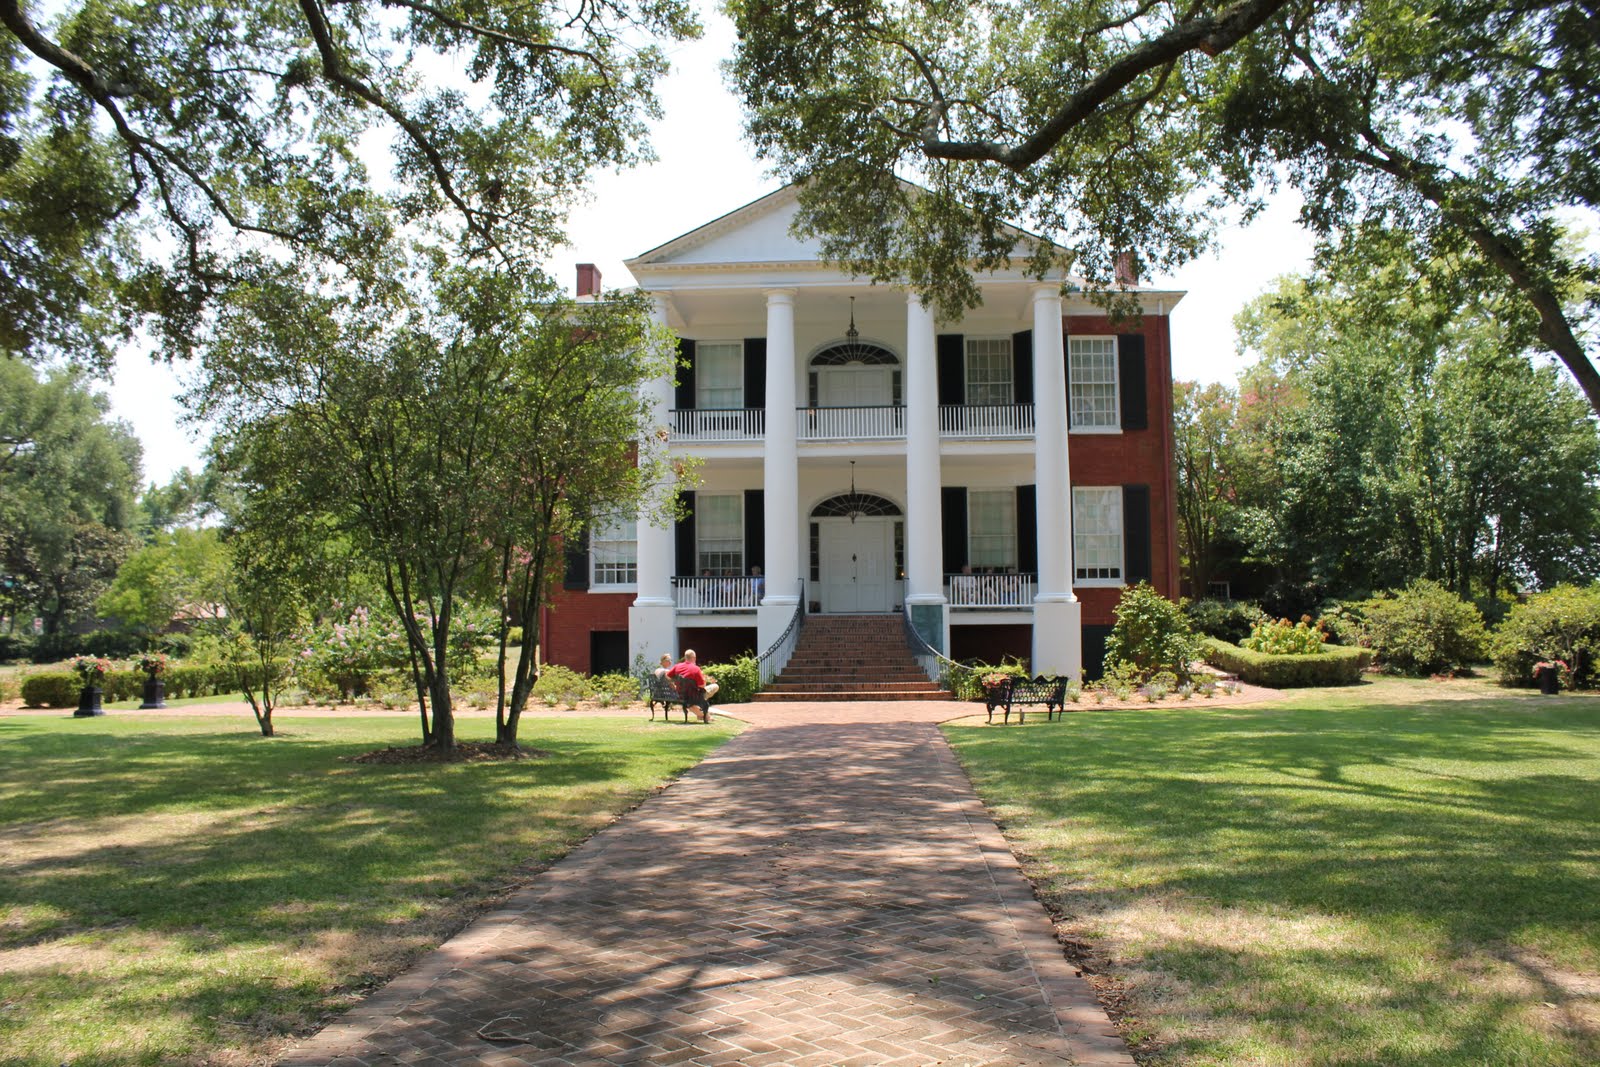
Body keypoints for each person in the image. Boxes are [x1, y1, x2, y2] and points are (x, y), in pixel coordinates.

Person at [667, 648, 718, 721]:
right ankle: (705, 715)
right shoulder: (696, 669)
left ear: (685, 657)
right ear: (694, 658)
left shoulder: (677, 666)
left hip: (681, 695)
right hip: (694, 696)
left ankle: (702, 715)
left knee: (692, 704)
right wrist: (705, 681)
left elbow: (667, 676)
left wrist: (672, 684)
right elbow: (702, 686)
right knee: (715, 686)